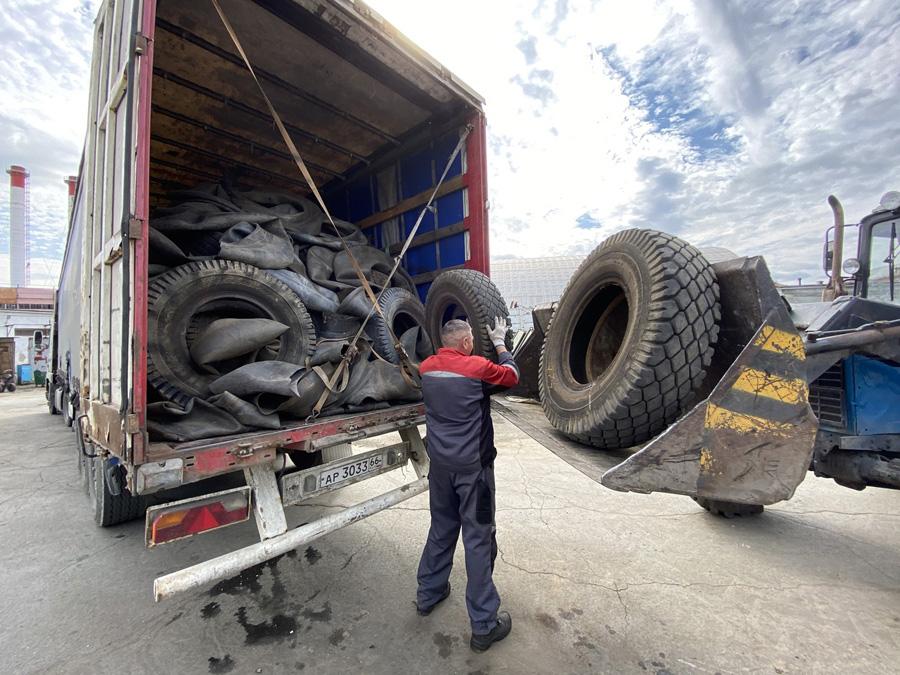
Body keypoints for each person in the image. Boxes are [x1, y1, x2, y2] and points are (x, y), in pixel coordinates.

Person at [415, 316, 519, 653]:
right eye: (472, 337)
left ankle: (428, 595)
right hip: (473, 471)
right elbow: (513, 376)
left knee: (441, 528)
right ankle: (484, 626)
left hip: (441, 468)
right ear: (464, 343)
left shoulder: (427, 368)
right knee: (477, 539)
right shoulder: (477, 368)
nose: (474, 342)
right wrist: (501, 342)